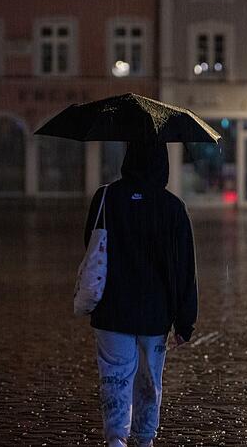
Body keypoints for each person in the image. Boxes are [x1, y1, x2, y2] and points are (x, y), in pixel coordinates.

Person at [84, 141, 198, 447]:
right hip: (155, 313)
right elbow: (184, 269)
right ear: (163, 164)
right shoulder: (172, 207)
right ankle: (145, 439)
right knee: (149, 382)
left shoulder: (106, 198)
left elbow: (92, 246)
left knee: (115, 377)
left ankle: (116, 439)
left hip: (112, 308)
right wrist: (185, 321)